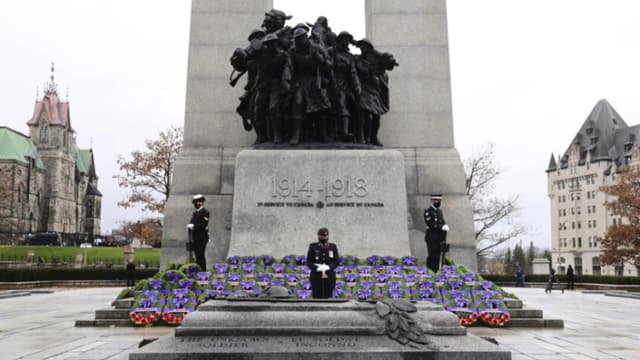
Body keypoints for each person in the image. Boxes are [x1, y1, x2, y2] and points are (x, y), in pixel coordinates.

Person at [306, 227, 339, 298]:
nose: (324, 238)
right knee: (317, 295)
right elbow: (309, 262)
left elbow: (336, 262)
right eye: (322, 236)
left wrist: (328, 267)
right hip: (316, 276)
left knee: (328, 295)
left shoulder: (333, 247)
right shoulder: (313, 246)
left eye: (326, 236)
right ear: (318, 236)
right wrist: (317, 268)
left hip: (329, 275)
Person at [424, 194, 449, 273]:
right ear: (432, 201)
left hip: (439, 238)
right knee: (432, 256)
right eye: (436, 201)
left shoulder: (439, 211)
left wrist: (445, 225)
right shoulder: (428, 211)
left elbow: (442, 221)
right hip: (432, 238)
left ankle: (435, 272)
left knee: (437, 257)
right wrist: (440, 227)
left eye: (439, 201)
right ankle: (430, 272)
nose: (438, 202)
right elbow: (430, 224)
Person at [186, 194, 210, 271]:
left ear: (202, 202)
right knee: (197, 255)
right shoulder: (195, 213)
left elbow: (204, 224)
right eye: (195, 202)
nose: (196, 204)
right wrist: (189, 227)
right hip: (195, 237)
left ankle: (203, 271)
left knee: (200, 255)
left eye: (198, 202)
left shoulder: (205, 212)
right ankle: (198, 270)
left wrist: (194, 226)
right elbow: (192, 222)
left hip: (202, 237)